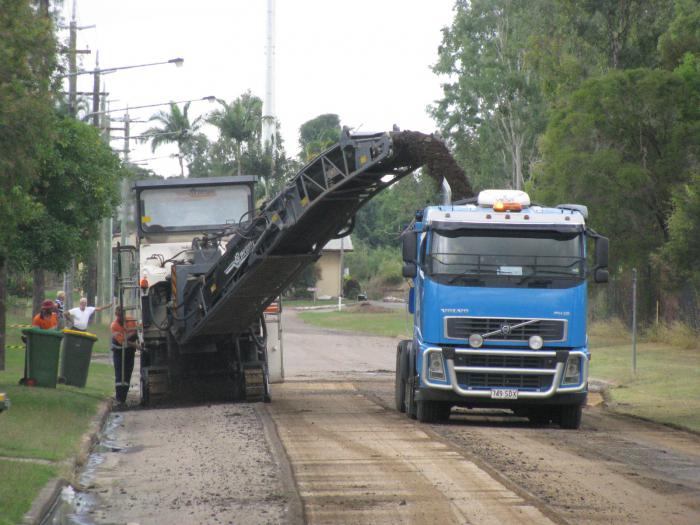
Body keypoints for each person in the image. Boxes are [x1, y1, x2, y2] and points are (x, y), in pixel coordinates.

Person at [111, 307, 139, 405]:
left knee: (127, 373)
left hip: (129, 351)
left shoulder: (131, 320)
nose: (121, 316)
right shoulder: (114, 326)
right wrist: (135, 344)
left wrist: (129, 337)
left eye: (122, 314)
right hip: (119, 352)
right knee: (119, 374)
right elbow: (122, 341)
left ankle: (123, 397)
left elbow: (136, 331)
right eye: (119, 315)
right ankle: (119, 398)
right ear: (116, 315)